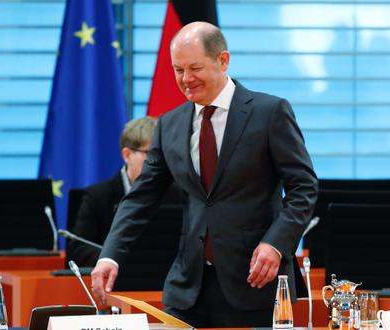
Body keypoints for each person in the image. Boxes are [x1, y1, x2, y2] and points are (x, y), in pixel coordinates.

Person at [91, 21, 318, 327]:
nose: (186, 79)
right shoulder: (169, 125)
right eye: (177, 70)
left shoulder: (269, 113)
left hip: (255, 285)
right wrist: (110, 255)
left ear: (222, 60)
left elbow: (303, 188)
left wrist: (276, 243)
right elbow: (140, 198)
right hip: (187, 290)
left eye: (194, 68)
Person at [67, 116, 157, 267]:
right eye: (150, 153)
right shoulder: (97, 196)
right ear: (127, 155)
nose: (158, 161)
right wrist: (113, 259)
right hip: (113, 283)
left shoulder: (177, 193)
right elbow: (78, 250)